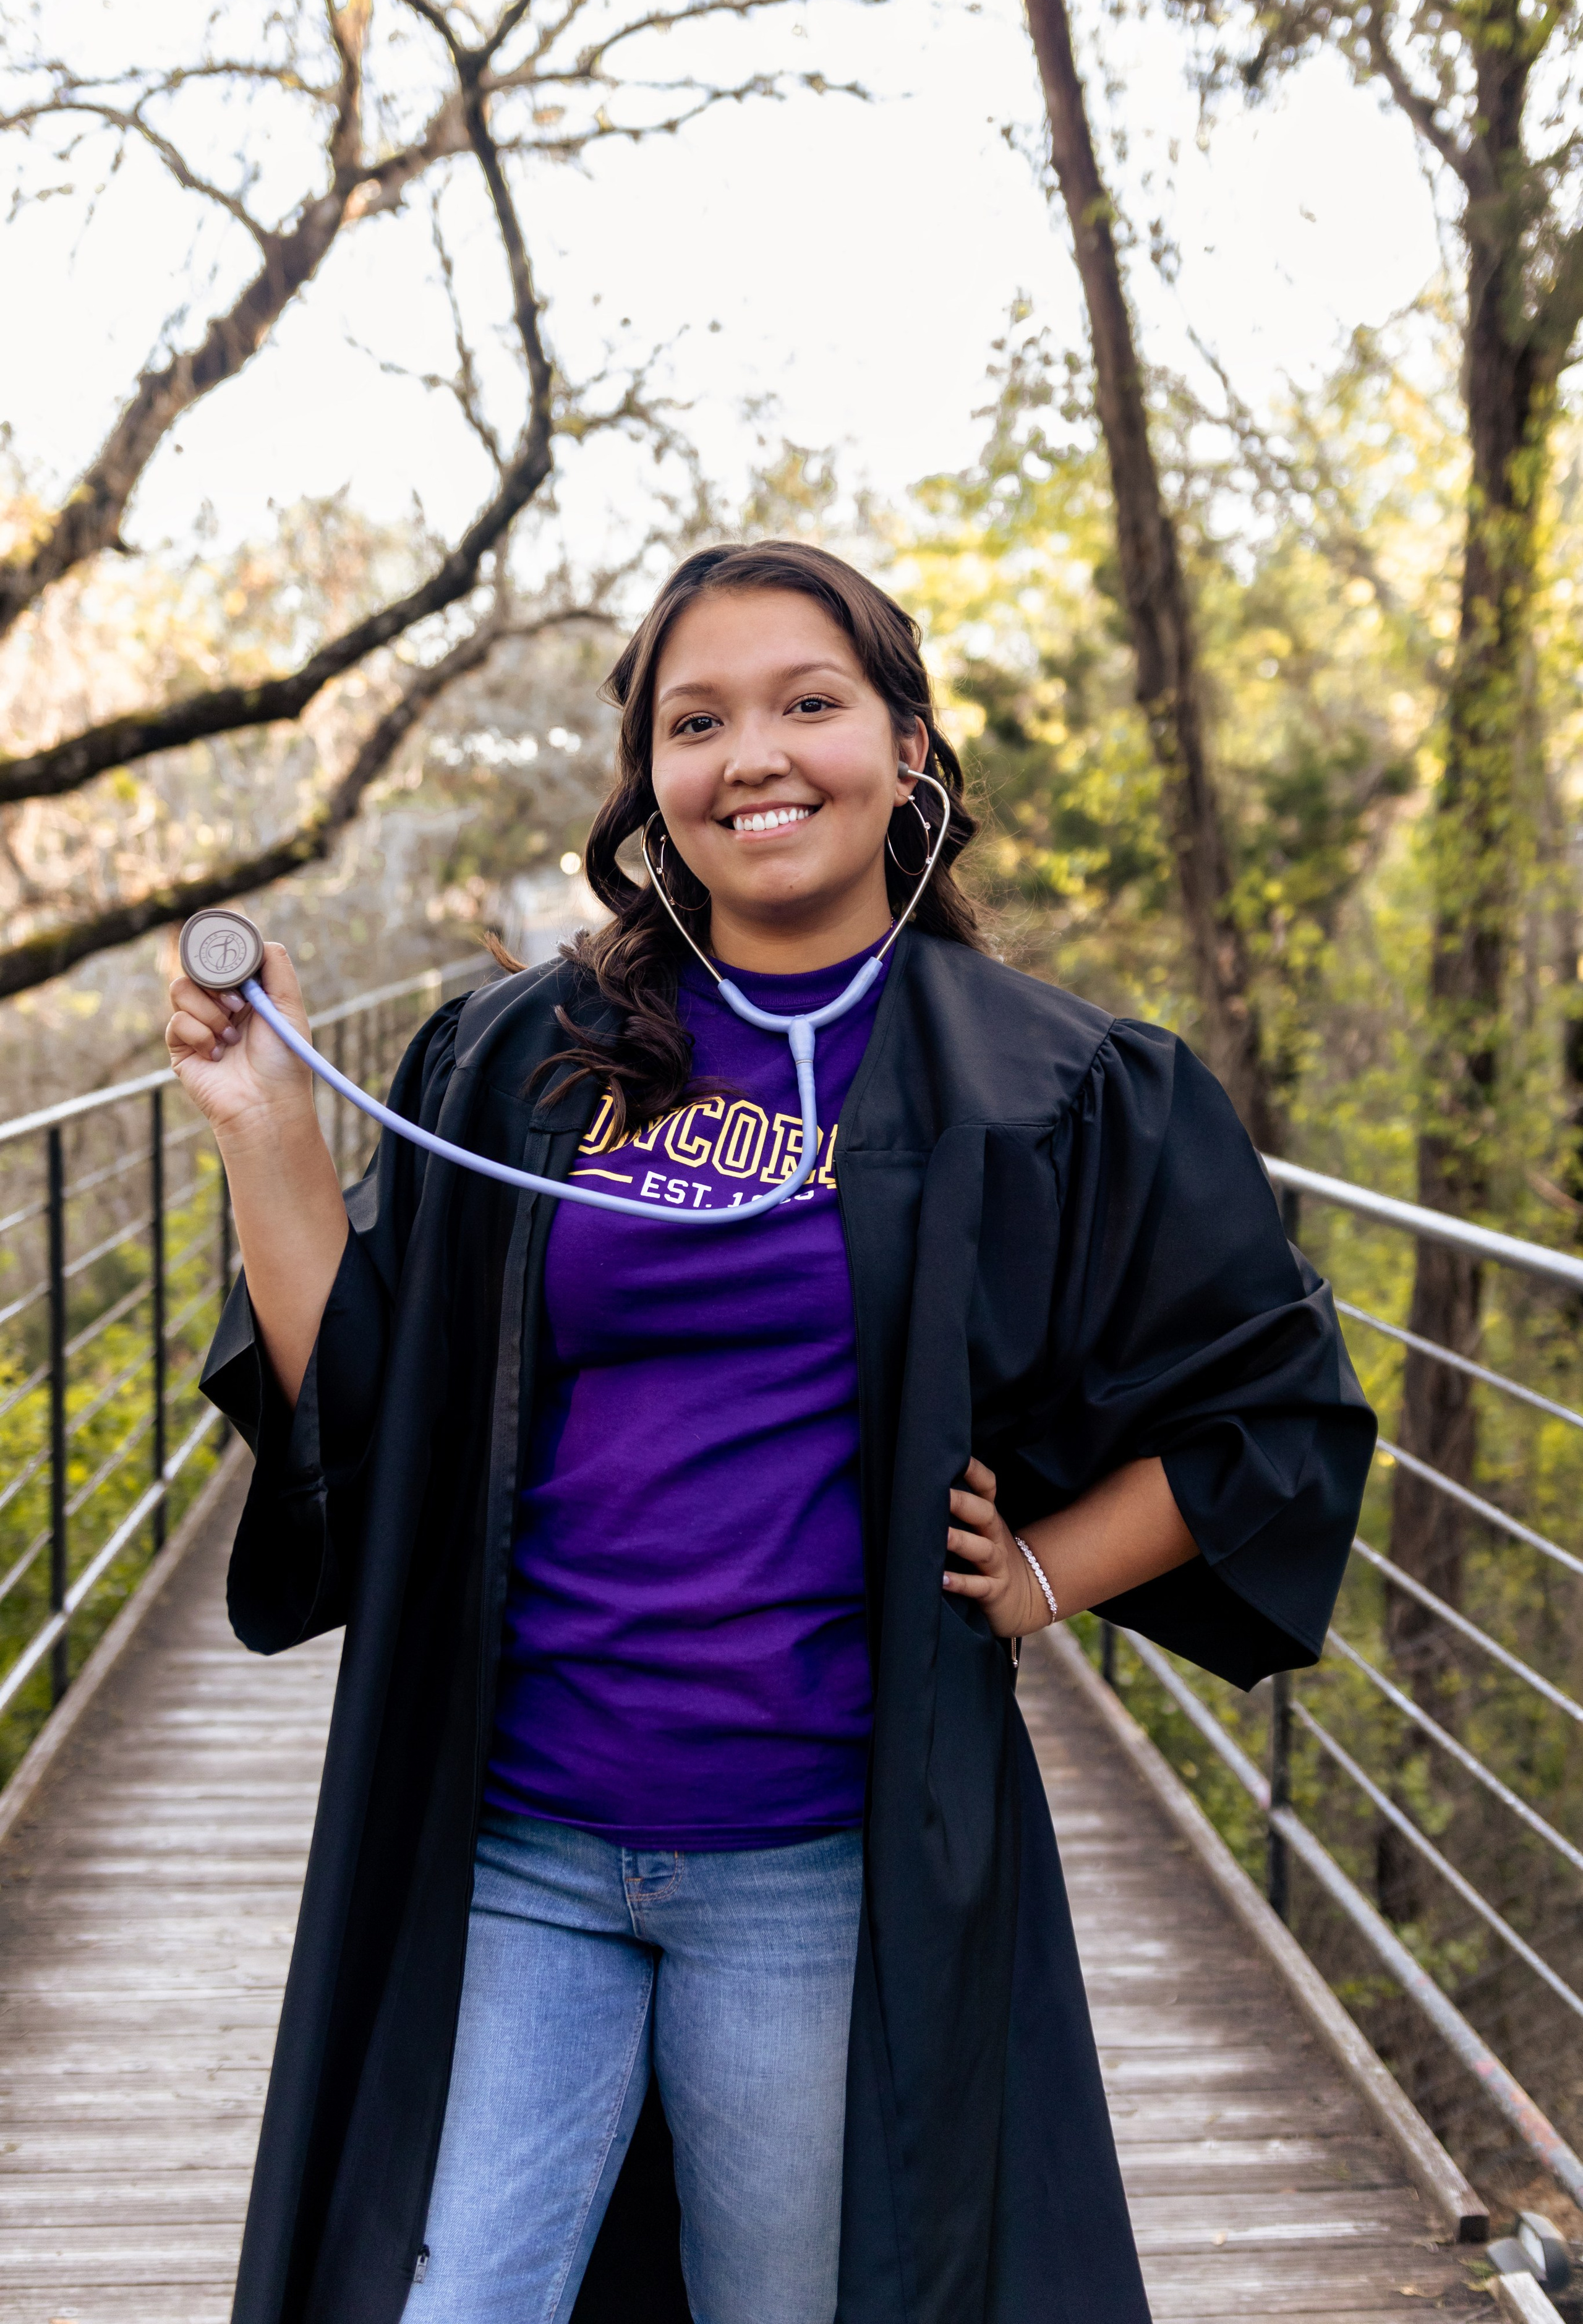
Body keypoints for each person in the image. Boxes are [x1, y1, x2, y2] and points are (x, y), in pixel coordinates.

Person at [171, 540, 1375, 2324]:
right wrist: (266, 1128)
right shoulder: (525, 1061)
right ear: (649, 779)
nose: (756, 755)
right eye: (697, 719)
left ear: (908, 752)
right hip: (518, 1840)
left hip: (813, 1862)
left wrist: (1045, 1571)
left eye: (811, 704)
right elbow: (367, 1407)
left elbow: (1270, 1405)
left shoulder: (1049, 1084)